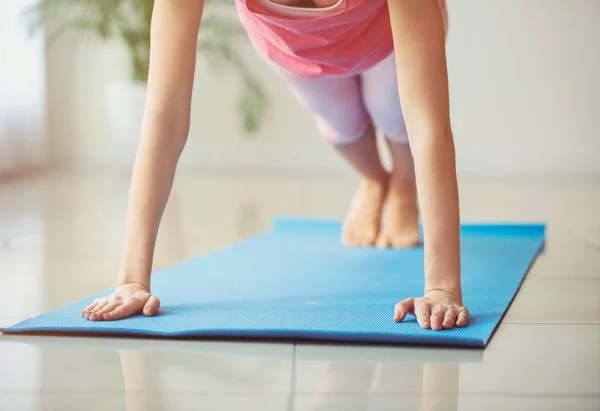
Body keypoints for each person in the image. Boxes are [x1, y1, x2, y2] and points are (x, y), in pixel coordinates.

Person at [81, 0, 469, 330]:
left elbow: (429, 126)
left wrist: (442, 288)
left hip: (387, 38)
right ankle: (374, 181)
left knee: (392, 114)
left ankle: (403, 186)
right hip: (296, 48)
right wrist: (131, 280)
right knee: (342, 122)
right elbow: (165, 119)